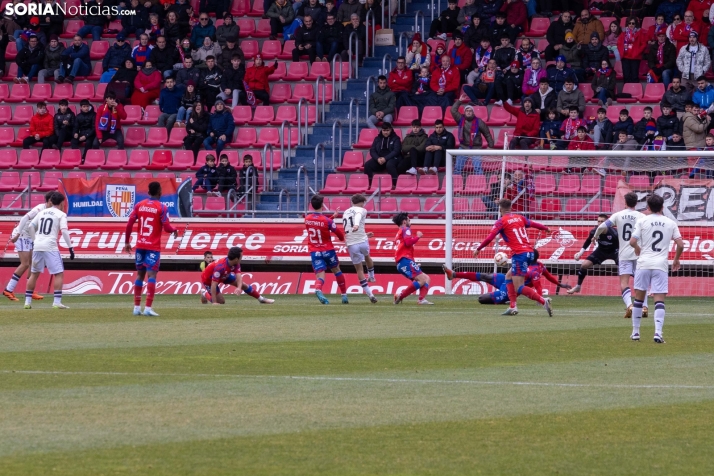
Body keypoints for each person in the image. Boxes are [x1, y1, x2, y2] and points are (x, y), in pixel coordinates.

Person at [473, 199, 551, 316]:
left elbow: (490, 237)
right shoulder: (520, 217)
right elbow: (533, 224)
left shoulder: (501, 221)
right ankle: (512, 306)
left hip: (519, 254)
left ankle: (543, 301)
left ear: (500, 209)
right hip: (530, 252)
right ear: (511, 207)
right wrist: (545, 228)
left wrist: (479, 248)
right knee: (508, 276)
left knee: (519, 286)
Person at [629, 194, 684, 343]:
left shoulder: (642, 221)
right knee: (659, 300)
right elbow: (680, 244)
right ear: (662, 207)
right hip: (660, 265)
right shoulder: (670, 222)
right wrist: (676, 259)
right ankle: (658, 333)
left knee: (639, 299)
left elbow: (632, 241)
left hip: (643, 263)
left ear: (648, 207)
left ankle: (635, 332)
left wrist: (638, 249)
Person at [124, 182, 178, 316]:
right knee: (151, 275)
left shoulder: (139, 205)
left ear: (148, 192)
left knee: (140, 275)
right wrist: (174, 230)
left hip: (140, 245)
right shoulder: (162, 207)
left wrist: (126, 242)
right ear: (160, 192)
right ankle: (148, 307)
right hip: (152, 247)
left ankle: (136, 308)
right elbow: (166, 227)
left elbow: (129, 223)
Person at [443, 250, 571, 305]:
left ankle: (507, 300)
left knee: (481, 299)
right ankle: (453, 274)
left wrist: (539, 298)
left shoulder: (535, 271)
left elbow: (538, 285)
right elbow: (549, 277)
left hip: (509, 290)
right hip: (505, 279)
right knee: (485, 276)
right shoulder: (537, 265)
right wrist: (561, 285)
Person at [591, 192, 647, 318]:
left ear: (625, 203)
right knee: (640, 282)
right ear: (636, 203)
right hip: (639, 253)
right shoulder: (642, 216)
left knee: (624, 282)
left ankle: (629, 305)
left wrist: (595, 237)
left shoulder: (618, 215)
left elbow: (601, 227)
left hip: (624, 255)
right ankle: (644, 307)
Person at [24, 192, 75, 309]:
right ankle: (57, 302)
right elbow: (65, 231)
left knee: (34, 274)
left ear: (51, 201)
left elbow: (31, 226)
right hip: (50, 246)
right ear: (62, 203)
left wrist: (35, 240)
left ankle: (27, 302)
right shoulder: (61, 214)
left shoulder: (42, 212)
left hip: (38, 245)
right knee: (59, 273)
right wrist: (70, 248)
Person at [3, 191, 55, 302]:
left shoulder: (50, 211)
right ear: (50, 200)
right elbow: (24, 218)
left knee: (33, 263)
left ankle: (30, 291)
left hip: (30, 237)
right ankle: (8, 289)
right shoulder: (39, 209)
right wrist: (17, 234)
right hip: (21, 235)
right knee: (25, 263)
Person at [304, 194, 348, 304]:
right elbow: (340, 236)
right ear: (322, 205)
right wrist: (332, 221)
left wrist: (332, 217)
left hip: (315, 251)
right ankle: (344, 296)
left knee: (320, 275)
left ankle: (318, 289)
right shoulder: (327, 221)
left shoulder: (307, 219)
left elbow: (319, 223)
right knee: (337, 270)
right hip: (328, 250)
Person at [200, 246, 275, 305]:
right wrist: (214, 303)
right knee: (221, 302)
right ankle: (204, 293)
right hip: (209, 280)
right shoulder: (220, 267)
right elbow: (213, 284)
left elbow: (239, 277)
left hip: (224, 275)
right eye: (241, 256)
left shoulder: (236, 264)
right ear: (236, 258)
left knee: (244, 285)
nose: (241, 258)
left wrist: (239, 288)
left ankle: (261, 299)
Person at [567, 214, 619, 296]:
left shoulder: (614, 233)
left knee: (625, 268)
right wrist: (580, 253)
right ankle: (578, 286)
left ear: (607, 223)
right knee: (584, 265)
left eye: (602, 221)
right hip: (601, 251)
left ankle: (642, 287)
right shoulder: (594, 231)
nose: (600, 223)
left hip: (614, 251)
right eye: (598, 221)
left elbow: (622, 244)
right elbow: (588, 241)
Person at [342, 194, 378, 303]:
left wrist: (365, 234)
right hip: (362, 241)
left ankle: (370, 294)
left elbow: (349, 228)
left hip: (351, 243)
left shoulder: (345, 212)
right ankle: (371, 276)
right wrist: (357, 225)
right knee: (367, 257)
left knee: (359, 269)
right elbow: (357, 215)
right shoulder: (362, 210)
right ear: (362, 202)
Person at [392, 212, 433, 305]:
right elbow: (408, 242)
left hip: (402, 262)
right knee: (422, 280)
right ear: (404, 222)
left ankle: (421, 299)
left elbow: (403, 248)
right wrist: (418, 237)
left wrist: (412, 263)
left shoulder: (398, 233)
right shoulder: (406, 229)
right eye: (409, 220)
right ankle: (400, 295)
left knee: (426, 278)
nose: (410, 222)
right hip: (404, 260)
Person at [451, 99, 494, 174]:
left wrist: (491, 145)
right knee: (457, 167)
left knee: (478, 168)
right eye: (467, 110)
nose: (468, 112)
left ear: (473, 112)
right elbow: (453, 110)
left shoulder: (479, 121)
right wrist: (459, 101)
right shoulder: (460, 119)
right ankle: (455, 184)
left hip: (476, 148)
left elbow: (487, 133)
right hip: (463, 146)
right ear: (464, 112)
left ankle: (481, 184)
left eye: (470, 111)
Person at [618, 17, 646, 84]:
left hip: (635, 57)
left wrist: (637, 52)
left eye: (633, 23)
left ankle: (635, 92)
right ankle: (627, 92)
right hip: (625, 57)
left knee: (634, 76)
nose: (631, 25)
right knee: (626, 76)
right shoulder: (623, 33)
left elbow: (644, 44)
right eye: (629, 23)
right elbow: (619, 43)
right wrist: (622, 52)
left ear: (635, 24)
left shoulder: (639, 32)